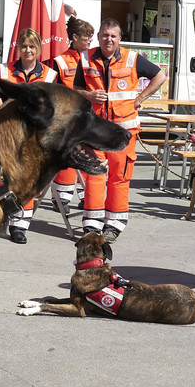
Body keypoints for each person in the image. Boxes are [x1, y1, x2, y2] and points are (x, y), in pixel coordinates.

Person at [71, 18, 167, 240]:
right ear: (98, 37)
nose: (109, 39)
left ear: (120, 39)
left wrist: (140, 98)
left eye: (113, 36)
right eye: (105, 35)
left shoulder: (132, 58)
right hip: (95, 131)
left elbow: (160, 76)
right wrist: (89, 95)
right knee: (94, 175)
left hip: (123, 132)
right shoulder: (85, 58)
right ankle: (92, 225)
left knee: (119, 178)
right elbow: (75, 88)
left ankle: (114, 225)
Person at [3, 28, 59, 244]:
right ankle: (3, 216)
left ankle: (19, 226)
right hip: (10, 131)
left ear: (38, 49)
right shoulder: (5, 69)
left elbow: (52, 105)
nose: (28, 50)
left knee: (28, 178)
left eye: (32, 46)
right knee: (7, 176)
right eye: (24, 46)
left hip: (35, 134)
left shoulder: (50, 75)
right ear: (18, 48)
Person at [50, 17, 98, 209]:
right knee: (67, 156)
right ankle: (61, 198)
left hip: (89, 118)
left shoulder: (92, 59)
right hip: (67, 118)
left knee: (88, 156)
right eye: (87, 36)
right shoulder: (60, 61)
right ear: (75, 37)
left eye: (91, 36)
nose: (90, 40)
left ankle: (87, 196)